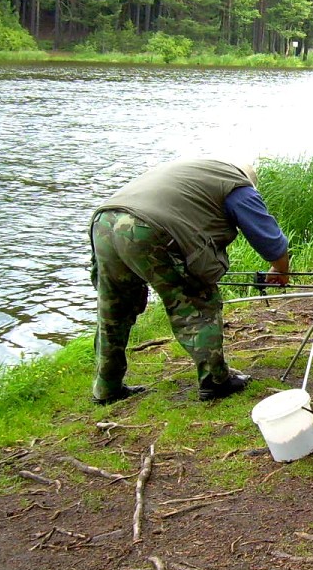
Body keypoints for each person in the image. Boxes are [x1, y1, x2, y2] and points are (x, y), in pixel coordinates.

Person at [88, 157, 289, 404]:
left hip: (104, 223)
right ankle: (215, 381)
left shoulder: (197, 171)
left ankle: (106, 388)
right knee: (196, 302)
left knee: (113, 308)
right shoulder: (238, 186)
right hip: (147, 227)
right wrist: (280, 270)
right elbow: (268, 238)